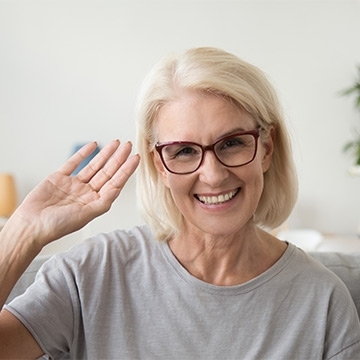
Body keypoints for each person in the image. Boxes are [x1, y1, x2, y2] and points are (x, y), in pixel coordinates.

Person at [0, 47, 359, 359]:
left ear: (265, 149)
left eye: (232, 143)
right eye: (184, 151)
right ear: (160, 165)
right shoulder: (93, 272)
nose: (214, 175)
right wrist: (21, 234)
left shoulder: (323, 301)